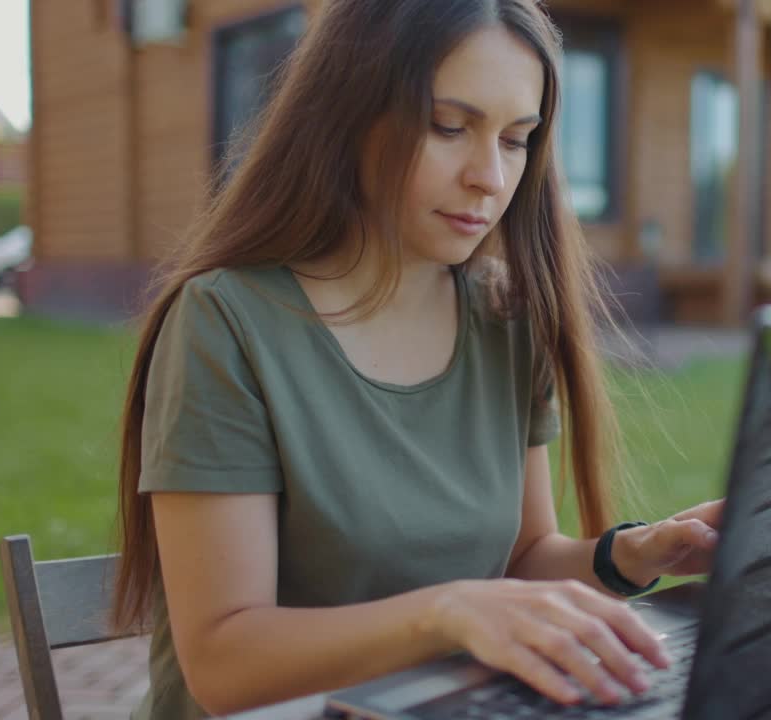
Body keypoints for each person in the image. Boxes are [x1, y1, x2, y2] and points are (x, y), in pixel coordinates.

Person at [109, 1, 725, 717]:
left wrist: (634, 556)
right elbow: (224, 662)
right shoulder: (227, 322)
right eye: (449, 127)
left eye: (518, 140)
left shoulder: (506, 317)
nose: (489, 177)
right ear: (348, 114)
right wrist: (447, 613)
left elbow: (523, 561)